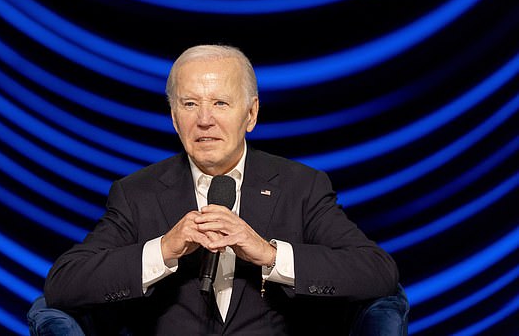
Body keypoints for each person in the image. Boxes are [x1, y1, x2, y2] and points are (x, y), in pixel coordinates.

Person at [43, 45, 399, 335]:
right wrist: (164, 249)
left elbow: (377, 273)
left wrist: (268, 254)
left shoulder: (301, 186)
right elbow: (63, 284)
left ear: (251, 114)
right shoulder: (137, 192)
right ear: (173, 117)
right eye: (190, 103)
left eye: (220, 103)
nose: (204, 119)